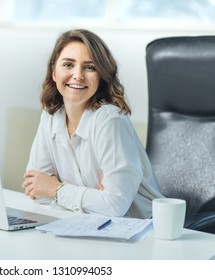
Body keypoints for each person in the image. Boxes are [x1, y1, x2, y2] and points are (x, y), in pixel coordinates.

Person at [21, 29, 163, 219]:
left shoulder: (110, 120)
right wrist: (91, 198)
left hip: (141, 230)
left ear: (101, 76)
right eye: (68, 64)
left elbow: (114, 206)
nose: (78, 75)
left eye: (90, 67)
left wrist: (55, 189)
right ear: (54, 71)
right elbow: (36, 192)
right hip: (86, 226)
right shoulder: (51, 116)